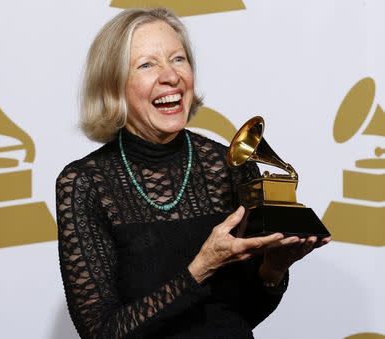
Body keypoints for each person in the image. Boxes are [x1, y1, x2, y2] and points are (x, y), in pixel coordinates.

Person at [55, 7, 330, 339]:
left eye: (178, 59)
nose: (171, 76)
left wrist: (273, 268)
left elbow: (241, 315)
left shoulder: (229, 165)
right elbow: (102, 332)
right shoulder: (85, 183)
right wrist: (201, 268)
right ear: (113, 85)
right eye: (146, 64)